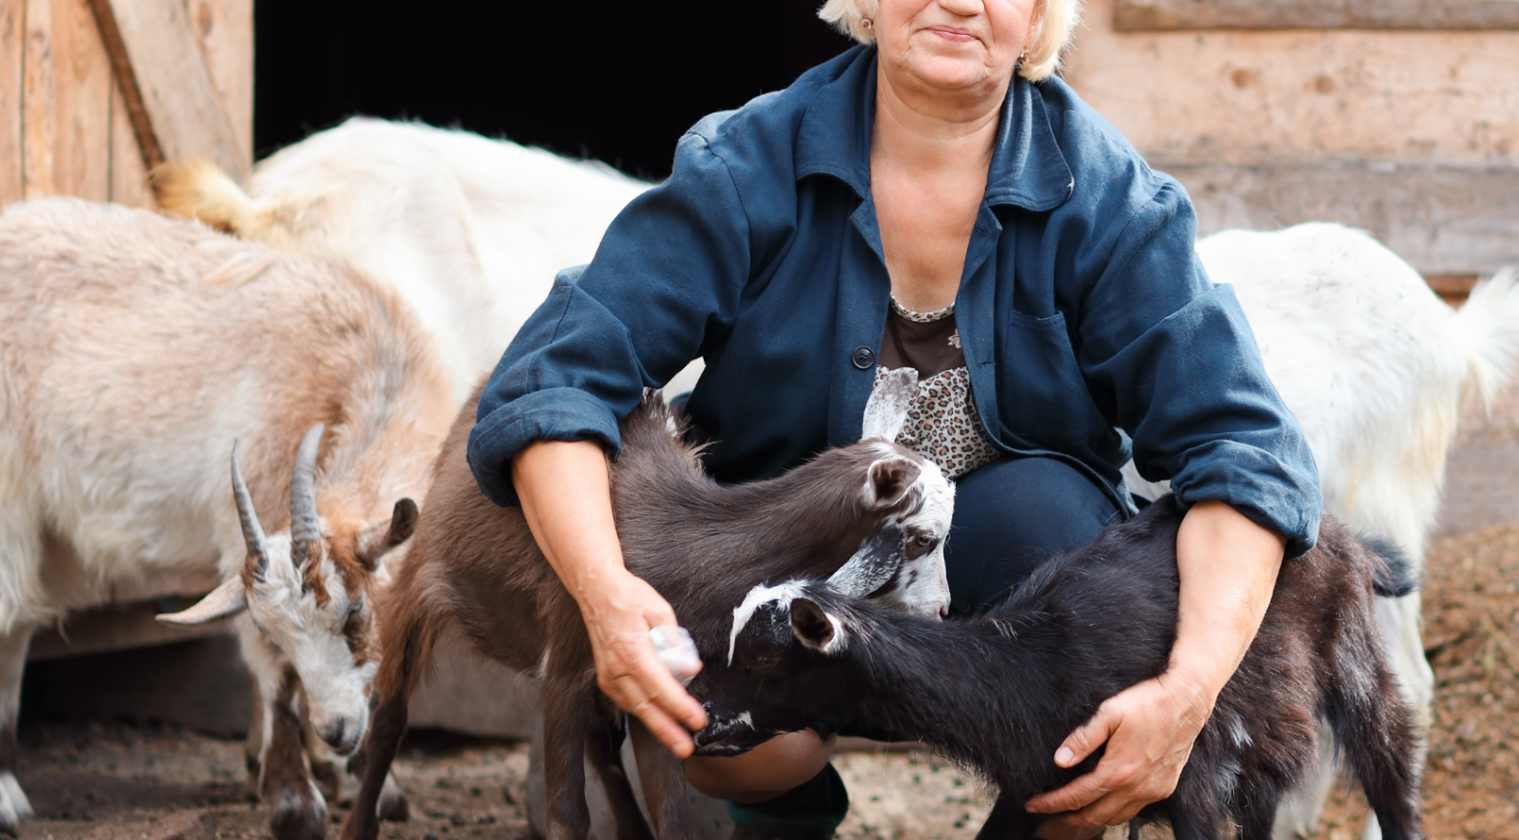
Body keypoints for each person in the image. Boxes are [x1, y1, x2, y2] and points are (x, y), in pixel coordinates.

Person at [466, 0, 1322, 837]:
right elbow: (555, 378)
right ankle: (777, 816)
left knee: (1060, 532)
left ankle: (1046, 818)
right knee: (732, 734)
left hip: (1013, 595)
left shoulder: (1108, 198)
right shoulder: (748, 162)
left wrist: (1187, 691)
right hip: (778, 565)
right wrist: (607, 594)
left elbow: (1242, 448)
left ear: (1035, 20)